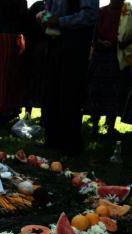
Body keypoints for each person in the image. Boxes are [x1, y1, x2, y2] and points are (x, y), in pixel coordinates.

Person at [39, 0, 99, 155]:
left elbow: (90, 15)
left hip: (74, 45)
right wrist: (43, 17)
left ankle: (70, 144)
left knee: (70, 93)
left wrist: (59, 21)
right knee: (51, 92)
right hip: (54, 42)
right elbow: (50, 13)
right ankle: (52, 140)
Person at [85, 0, 132, 135]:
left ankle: (110, 127)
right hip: (101, 57)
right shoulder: (101, 12)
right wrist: (101, 42)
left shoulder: (128, 14)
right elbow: (94, 37)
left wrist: (125, 42)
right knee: (96, 91)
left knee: (115, 93)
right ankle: (95, 126)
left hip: (118, 58)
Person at [23, 0, 46, 120]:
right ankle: (43, 117)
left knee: (32, 83)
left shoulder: (38, 5)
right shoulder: (43, 7)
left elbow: (25, 27)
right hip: (42, 49)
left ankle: (28, 114)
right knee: (43, 83)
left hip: (32, 48)